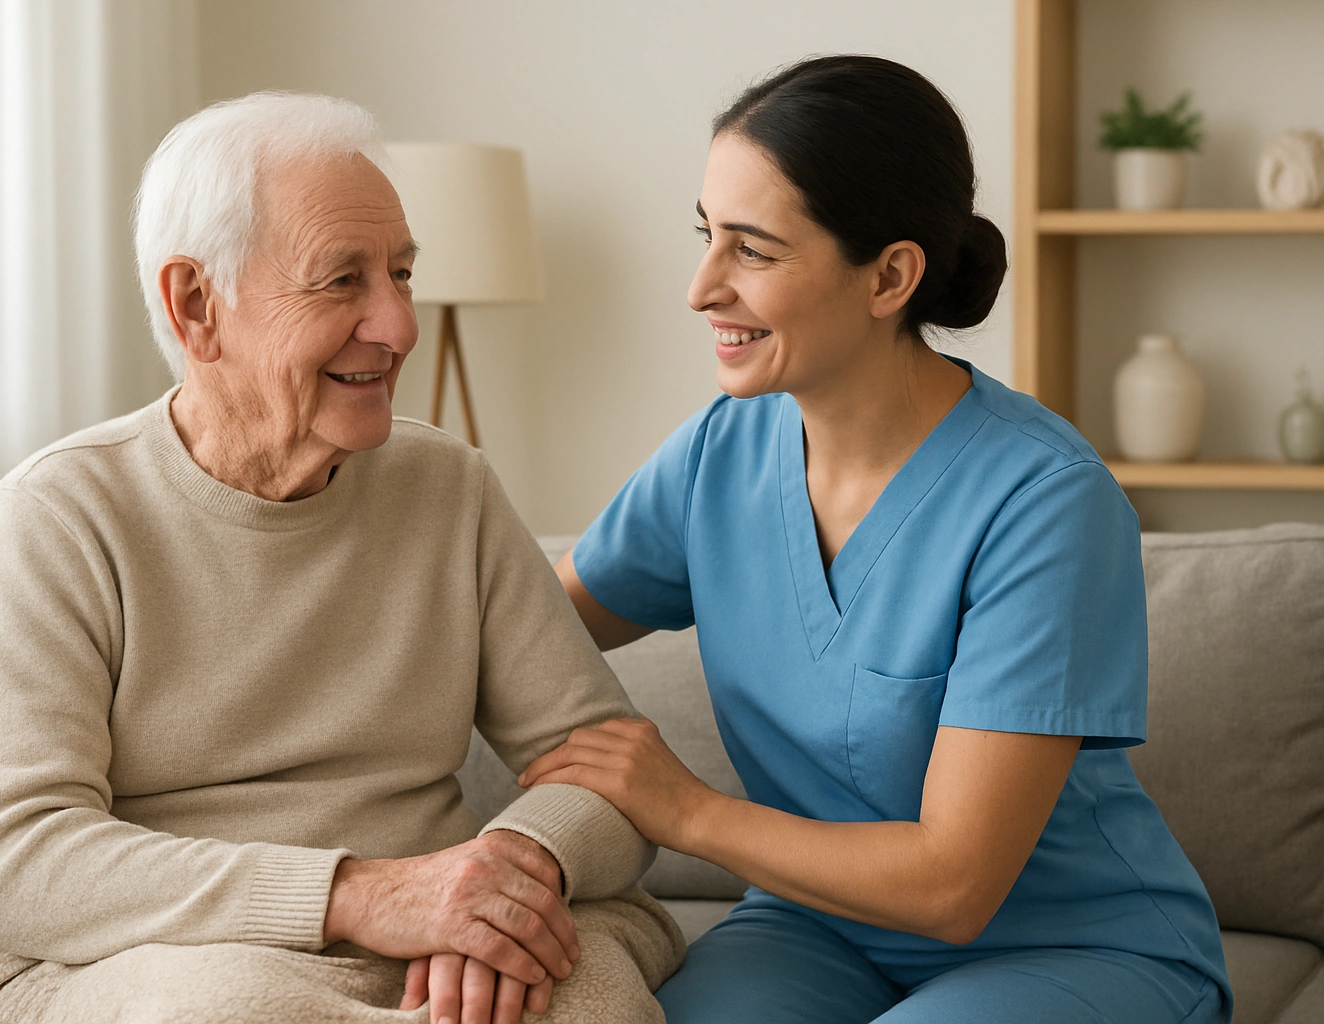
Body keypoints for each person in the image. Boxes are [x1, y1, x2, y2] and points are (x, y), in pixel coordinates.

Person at [0, 92, 683, 1024]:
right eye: (341, 281)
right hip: (155, 955)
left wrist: (501, 879)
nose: (399, 326)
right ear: (197, 306)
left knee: (589, 1001)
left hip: (435, 940)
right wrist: (361, 895)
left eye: (401, 274)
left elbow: (610, 770)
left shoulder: (448, 487)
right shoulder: (61, 514)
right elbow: (22, 862)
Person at [521, 56, 1231, 1024]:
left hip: (1070, 945)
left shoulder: (1045, 501)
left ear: (890, 276)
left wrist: (684, 809)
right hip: (815, 926)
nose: (701, 288)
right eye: (705, 235)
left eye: (753, 250)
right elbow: (523, 633)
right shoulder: (717, 455)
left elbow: (954, 884)